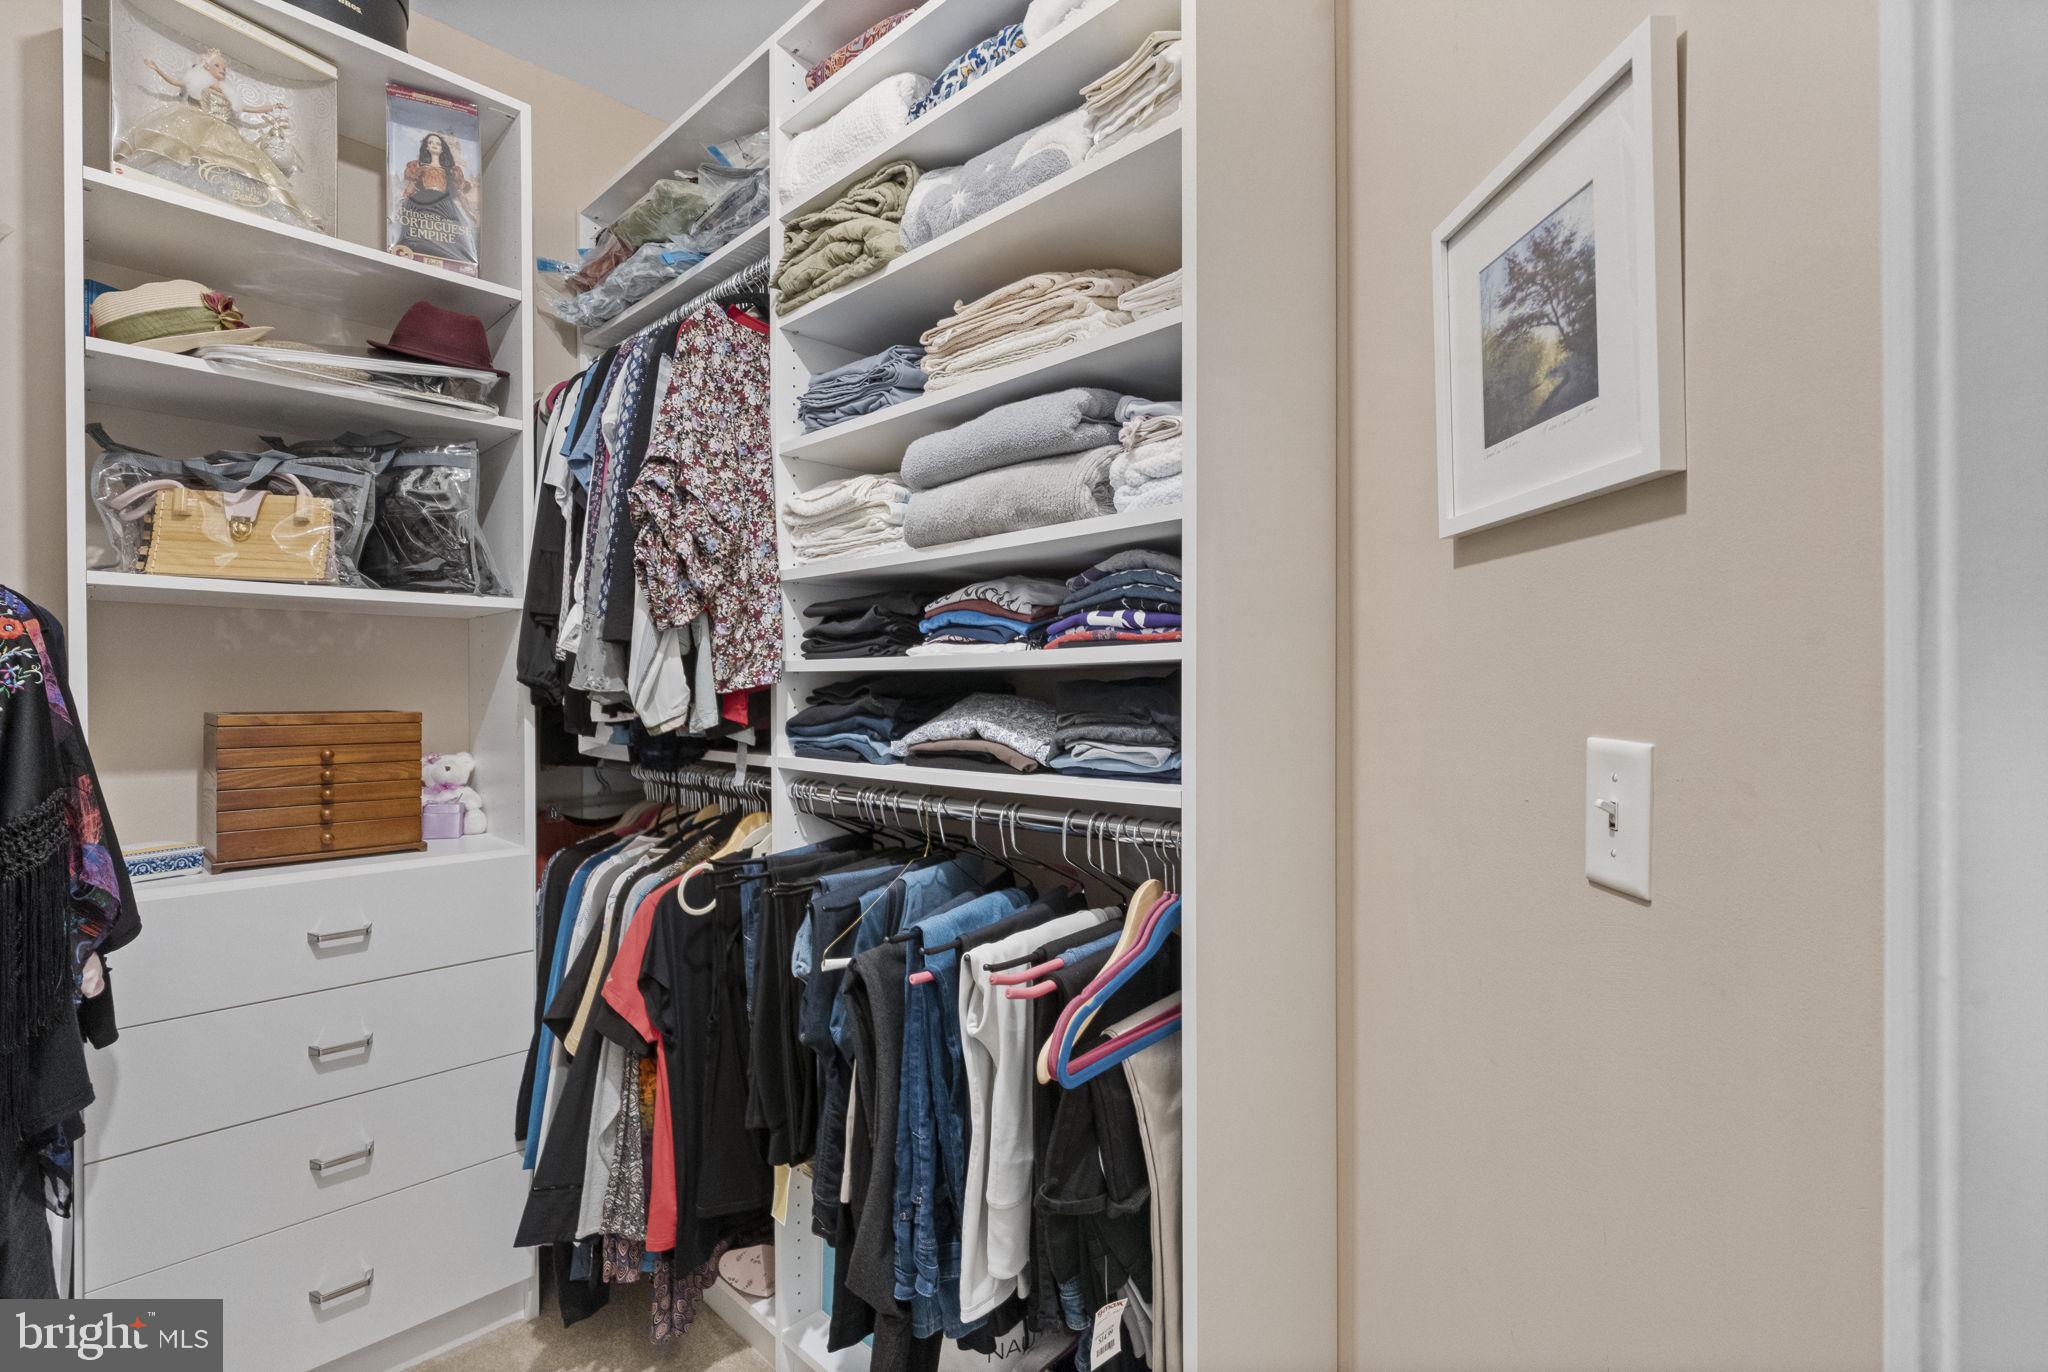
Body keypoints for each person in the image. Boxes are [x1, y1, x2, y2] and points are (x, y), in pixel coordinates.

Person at [116, 47, 319, 229]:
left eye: (224, 67)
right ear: (207, 66)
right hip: (203, 122)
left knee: (240, 163)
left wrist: (272, 107)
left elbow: (249, 108)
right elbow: (176, 81)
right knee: (193, 152)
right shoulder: (199, 83)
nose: (222, 69)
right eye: (217, 65)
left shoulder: (228, 92)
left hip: (225, 130)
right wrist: (156, 68)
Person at [393, 132, 480, 270]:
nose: (434, 145)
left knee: (451, 233)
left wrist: (468, 211)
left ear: (442, 148)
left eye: (438, 143)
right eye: (431, 142)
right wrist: (402, 199)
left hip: (443, 203)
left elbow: (458, 193)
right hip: (421, 201)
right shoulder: (420, 168)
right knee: (415, 232)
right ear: (426, 147)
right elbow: (412, 186)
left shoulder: (450, 171)